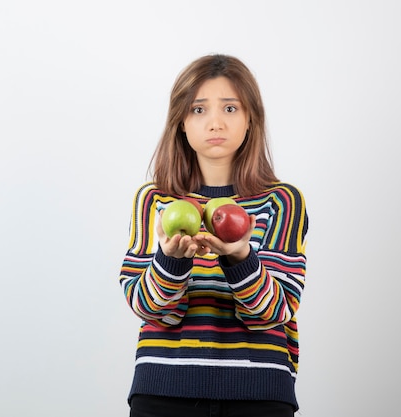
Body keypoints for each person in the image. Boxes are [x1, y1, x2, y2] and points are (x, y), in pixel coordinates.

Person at [118, 53, 309, 417]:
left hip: (259, 393)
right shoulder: (156, 201)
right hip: (163, 390)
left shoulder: (281, 201)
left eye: (231, 109)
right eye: (199, 109)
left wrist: (239, 257)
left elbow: (273, 312)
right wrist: (172, 261)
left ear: (251, 118)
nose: (216, 122)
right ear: (181, 123)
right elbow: (148, 307)